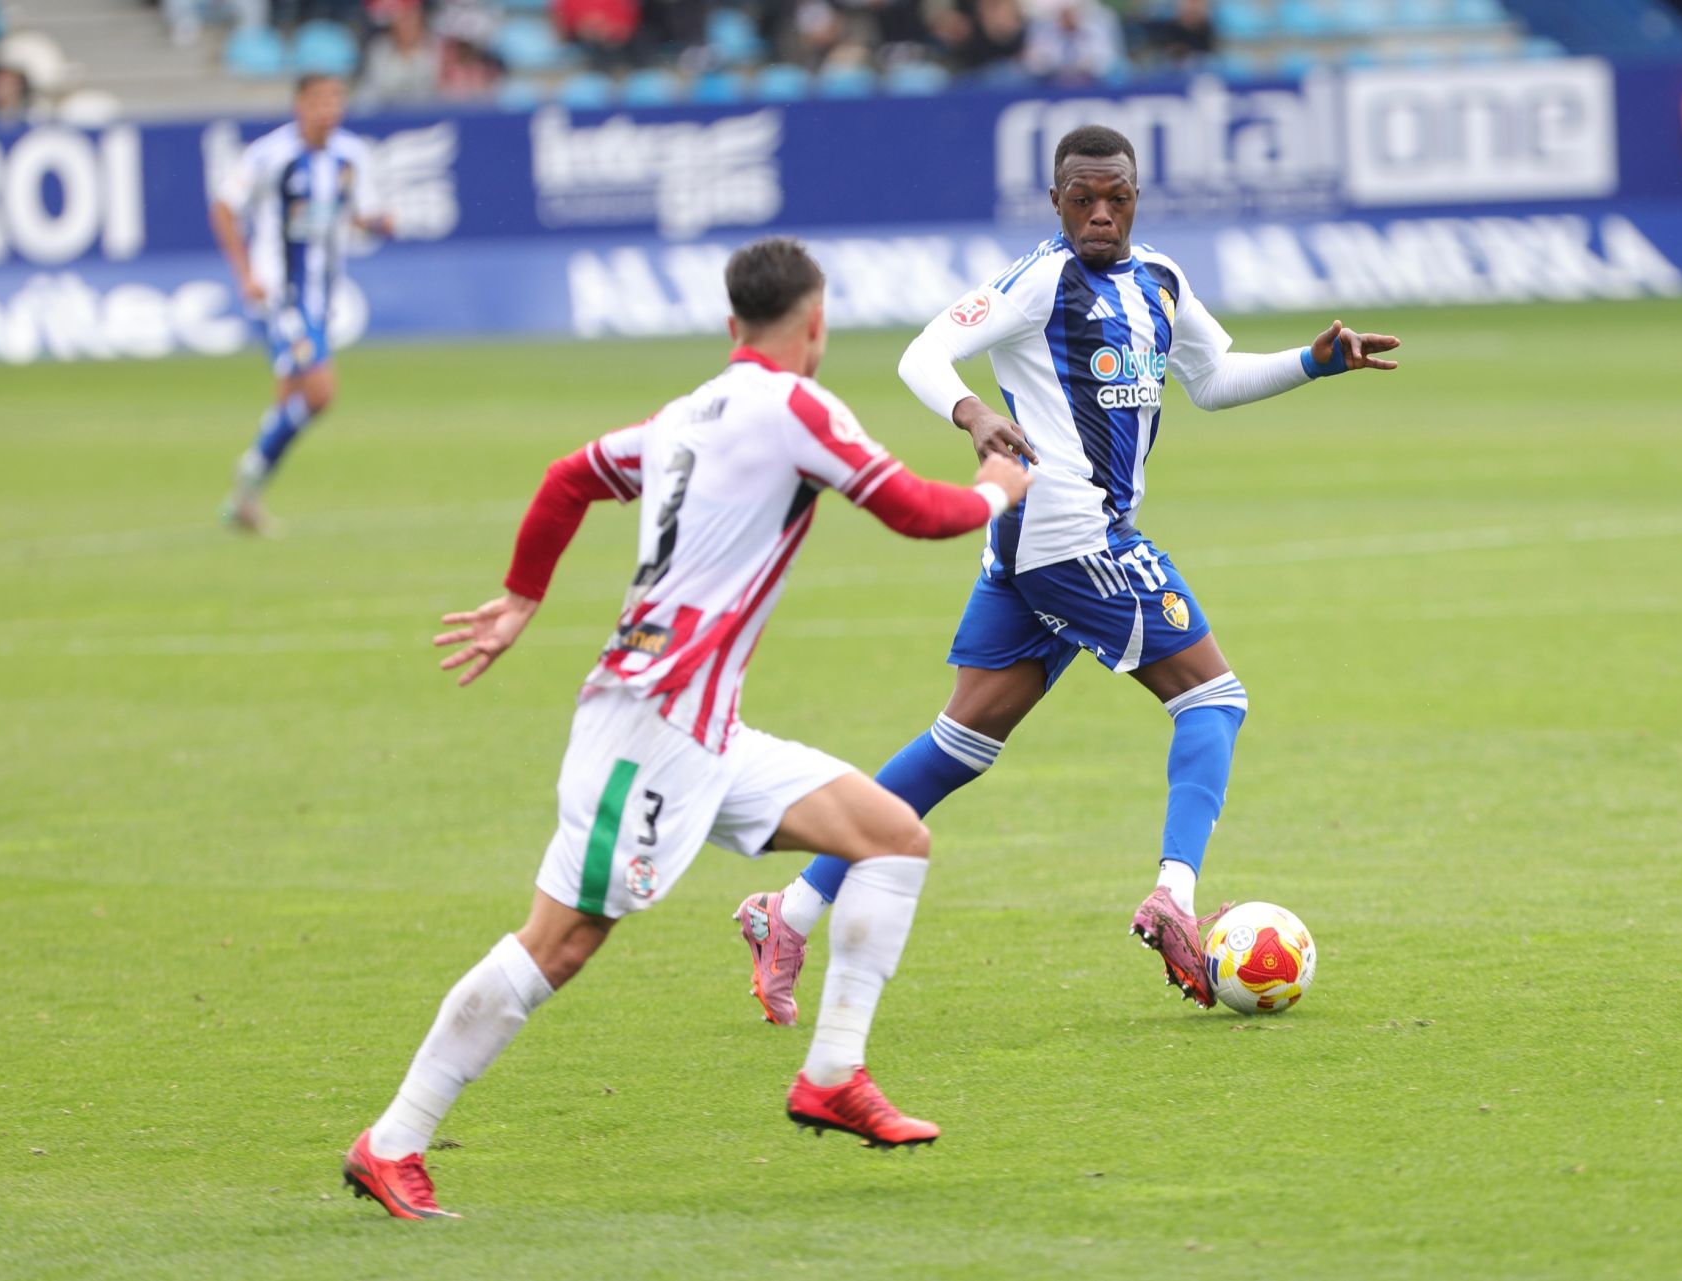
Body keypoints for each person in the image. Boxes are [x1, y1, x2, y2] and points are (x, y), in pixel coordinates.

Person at [341, 238, 1031, 1219]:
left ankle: (832, 1074)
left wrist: (520, 597)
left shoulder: (681, 416)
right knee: (562, 943)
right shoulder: (796, 406)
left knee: (891, 837)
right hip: (649, 727)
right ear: (816, 324)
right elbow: (916, 512)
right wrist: (1001, 486)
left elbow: (568, 475)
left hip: (706, 728)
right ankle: (393, 1139)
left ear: (730, 325)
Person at [735, 125, 1399, 1025]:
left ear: (1136, 196)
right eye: (1080, 198)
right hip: (1076, 537)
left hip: (1031, 549)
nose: (1098, 213)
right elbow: (921, 354)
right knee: (1214, 699)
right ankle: (1172, 892)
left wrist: (1314, 363)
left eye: (1114, 197)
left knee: (960, 743)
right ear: (1055, 201)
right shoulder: (1039, 280)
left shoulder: (1160, 281)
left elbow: (1213, 379)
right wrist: (972, 413)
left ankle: (790, 912)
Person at [210, 75, 393, 534]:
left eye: (336, 99)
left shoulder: (352, 156)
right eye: (319, 100)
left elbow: (356, 216)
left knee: (290, 399)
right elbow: (224, 208)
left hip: (325, 294)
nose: (328, 109)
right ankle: (247, 474)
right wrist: (246, 275)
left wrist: (378, 223)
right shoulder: (270, 156)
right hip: (283, 293)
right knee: (320, 392)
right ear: (299, 105)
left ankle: (245, 498)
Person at [357, 0, 440, 108]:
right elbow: (370, 90)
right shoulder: (379, 50)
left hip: (430, 113)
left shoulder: (436, 48)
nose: (407, 26)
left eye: (411, 20)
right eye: (402, 21)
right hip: (388, 115)